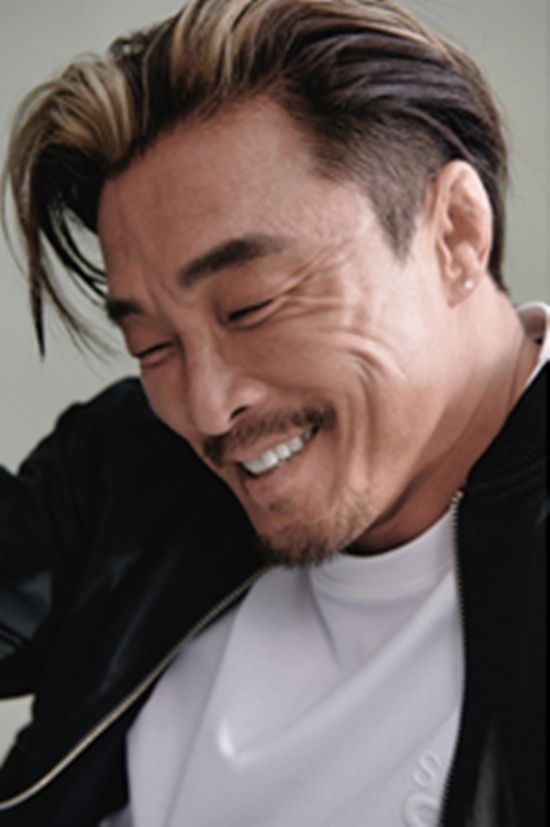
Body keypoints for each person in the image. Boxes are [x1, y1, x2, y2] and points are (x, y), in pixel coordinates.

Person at [0, 0, 546, 824]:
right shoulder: (133, 467)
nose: (208, 408)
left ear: (456, 234)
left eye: (251, 305)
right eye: (153, 346)